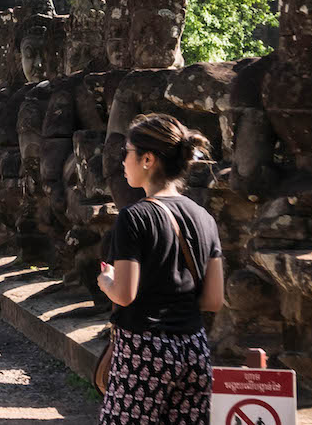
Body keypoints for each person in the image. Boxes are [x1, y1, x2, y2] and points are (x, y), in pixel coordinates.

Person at [96, 113, 223, 424]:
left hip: (144, 351)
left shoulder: (134, 218)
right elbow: (213, 301)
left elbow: (125, 295)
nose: (122, 161)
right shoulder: (205, 218)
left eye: (126, 152)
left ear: (147, 159)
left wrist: (106, 280)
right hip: (194, 349)